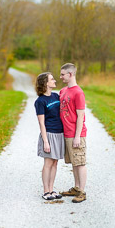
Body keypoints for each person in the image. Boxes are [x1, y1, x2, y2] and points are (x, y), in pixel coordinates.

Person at [58, 63, 87, 203]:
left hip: (76, 134)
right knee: (74, 163)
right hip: (66, 133)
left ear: (70, 74)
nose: (61, 77)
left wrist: (77, 136)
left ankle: (82, 191)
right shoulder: (63, 91)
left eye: (63, 74)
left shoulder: (78, 92)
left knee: (80, 163)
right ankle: (76, 188)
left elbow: (80, 116)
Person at [35, 72, 64, 201]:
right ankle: (46, 191)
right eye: (52, 79)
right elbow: (41, 123)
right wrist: (45, 141)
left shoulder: (56, 96)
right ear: (46, 83)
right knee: (48, 163)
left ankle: (52, 189)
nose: (54, 80)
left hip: (59, 133)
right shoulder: (40, 101)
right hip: (49, 134)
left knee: (55, 162)